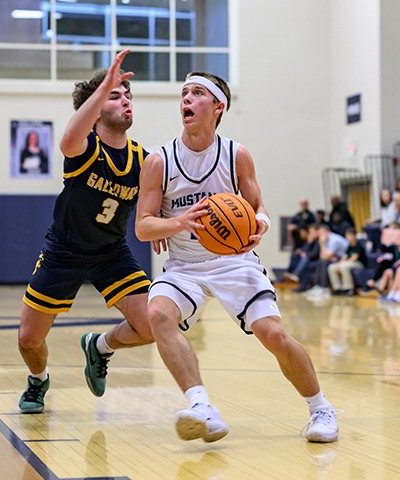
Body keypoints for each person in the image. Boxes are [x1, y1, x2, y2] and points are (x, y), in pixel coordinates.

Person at [135, 71, 339, 443]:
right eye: (183, 93)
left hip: (235, 261)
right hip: (185, 267)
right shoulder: (159, 162)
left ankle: (320, 408)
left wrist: (261, 222)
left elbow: (259, 207)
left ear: (218, 107)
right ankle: (201, 406)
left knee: (273, 334)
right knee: (157, 314)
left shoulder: (236, 155)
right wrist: (178, 222)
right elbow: (143, 227)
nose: (187, 99)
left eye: (197, 93)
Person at [17, 50, 154, 414]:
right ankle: (38, 380)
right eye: (115, 95)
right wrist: (103, 86)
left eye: (127, 96)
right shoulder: (85, 149)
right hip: (65, 251)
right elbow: (67, 138)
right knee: (29, 340)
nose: (124, 100)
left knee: (152, 327)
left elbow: (160, 205)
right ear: (94, 110)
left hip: (111, 254)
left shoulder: (145, 160)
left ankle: (99, 347)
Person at [305, 224, 349, 298]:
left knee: (325, 263)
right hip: (336, 258)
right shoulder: (325, 240)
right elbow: (322, 256)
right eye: (319, 234)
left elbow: (325, 256)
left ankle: (324, 288)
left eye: (322, 233)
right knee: (320, 262)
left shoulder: (334, 240)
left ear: (328, 232)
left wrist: (322, 244)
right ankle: (318, 286)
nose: (320, 236)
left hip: (345, 259)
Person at [327, 227, 367, 296]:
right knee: (332, 267)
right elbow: (345, 257)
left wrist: (342, 264)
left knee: (344, 267)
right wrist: (339, 264)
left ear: (354, 235)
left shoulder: (358, 245)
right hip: (350, 263)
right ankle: (338, 288)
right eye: (347, 236)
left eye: (350, 235)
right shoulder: (349, 246)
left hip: (359, 264)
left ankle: (348, 289)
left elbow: (354, 258)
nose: (348, 237)